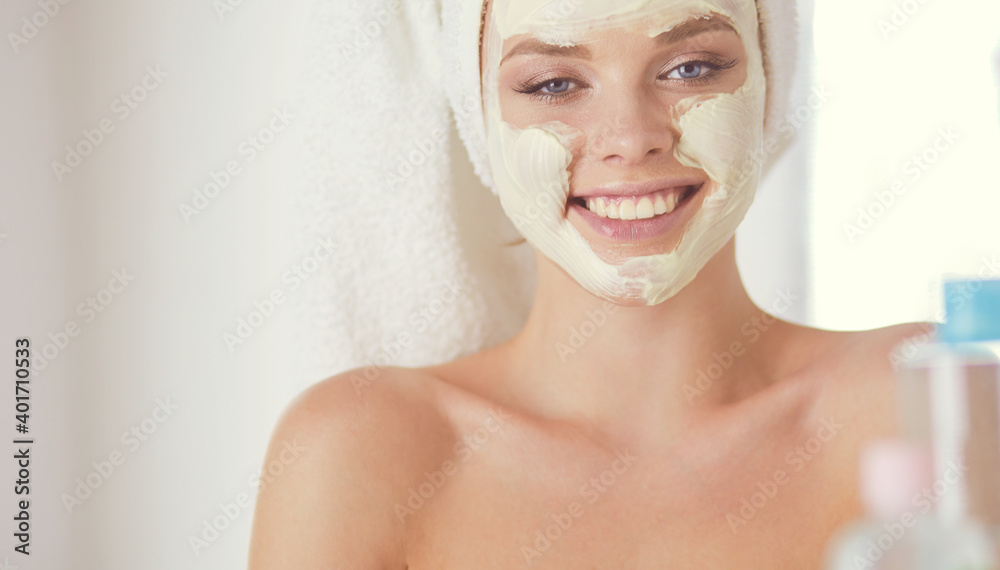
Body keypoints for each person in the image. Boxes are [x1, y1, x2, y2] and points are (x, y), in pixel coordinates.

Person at [248, 0, 930, 567]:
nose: (630, 138)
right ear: (480, 114)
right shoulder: (361, 452)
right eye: (553, 84)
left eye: (691, 68)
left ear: (770, 85)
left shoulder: (917, 403)